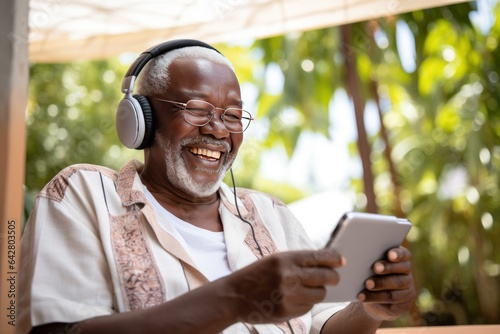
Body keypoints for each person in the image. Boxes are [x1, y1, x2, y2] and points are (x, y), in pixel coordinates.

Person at [18, 39, 415, 334]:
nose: (217, 129)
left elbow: (321, 328)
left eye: (233, 115)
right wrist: (236, 298)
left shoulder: (272, 215)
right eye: (196, 109)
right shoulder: (82, 194)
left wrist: (369, 311)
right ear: (140, 120)